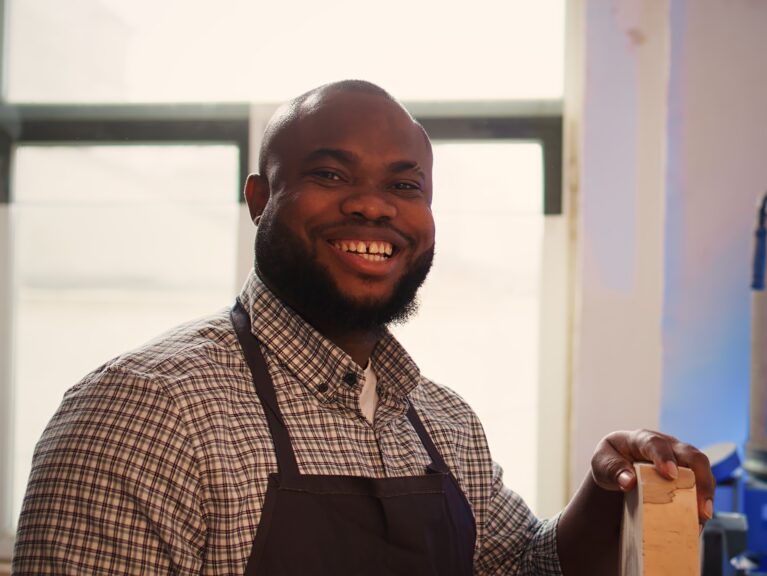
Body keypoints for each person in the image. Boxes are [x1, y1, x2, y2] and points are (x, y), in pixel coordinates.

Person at [13, 80, 714, 575]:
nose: (374, 208)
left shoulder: (443, 424)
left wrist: (604, 490)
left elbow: (528, 569)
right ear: (260, 199)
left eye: (405, 186)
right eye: (330, 173)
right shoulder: (146, 411)